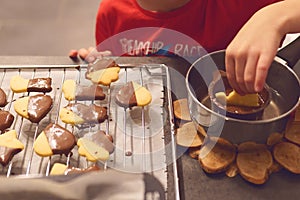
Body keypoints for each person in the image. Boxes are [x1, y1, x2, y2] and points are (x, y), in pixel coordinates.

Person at [69, 0, 300, 94]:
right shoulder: (112, 12)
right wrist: (104, 64)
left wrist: (275, 16)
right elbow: (122, 79)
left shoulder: (237, 5)